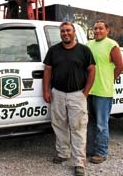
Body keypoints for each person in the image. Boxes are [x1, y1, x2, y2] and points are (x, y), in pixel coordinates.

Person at [43, 22, 95, 176]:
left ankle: (79, 162)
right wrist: (46, 91)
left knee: (78, 128)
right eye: (63, 31)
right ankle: (63, 153)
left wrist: (85, 92)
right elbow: (47, 71)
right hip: (57, 93)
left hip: (76, 94)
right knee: (59, 125)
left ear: (74, 33)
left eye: (68, 31)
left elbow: (92, 71)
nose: (65, 33)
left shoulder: (84, 50)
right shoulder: (53, 51)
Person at [86, 20, 123, 164]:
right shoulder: (88, 45)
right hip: (89, 90)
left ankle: (101, 152)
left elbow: (120, 66)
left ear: (107, 30)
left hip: (103, 91)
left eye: (101, 28)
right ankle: (90, 150)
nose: (97, 31)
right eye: (95, 29)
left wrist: (109, 79)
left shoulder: (111, 44)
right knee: (90, 123)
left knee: (102, 124)